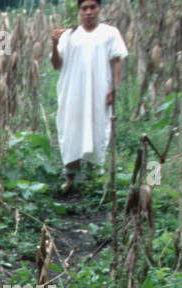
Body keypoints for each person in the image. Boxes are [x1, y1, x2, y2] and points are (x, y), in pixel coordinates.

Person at [51, 0, 127, 194]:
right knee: (71, 130)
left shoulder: (110, 33)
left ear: (99, 9)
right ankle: (70, 176)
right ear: (79, 11)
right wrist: (54, 43)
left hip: (99, 91)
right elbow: (56, 65)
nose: (89, 12)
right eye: (84, 8)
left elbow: (116, 60)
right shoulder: (69, 35)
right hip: (72, 91)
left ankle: (96, 176)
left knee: (98, 127)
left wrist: (114, 88)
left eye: (93, 7)